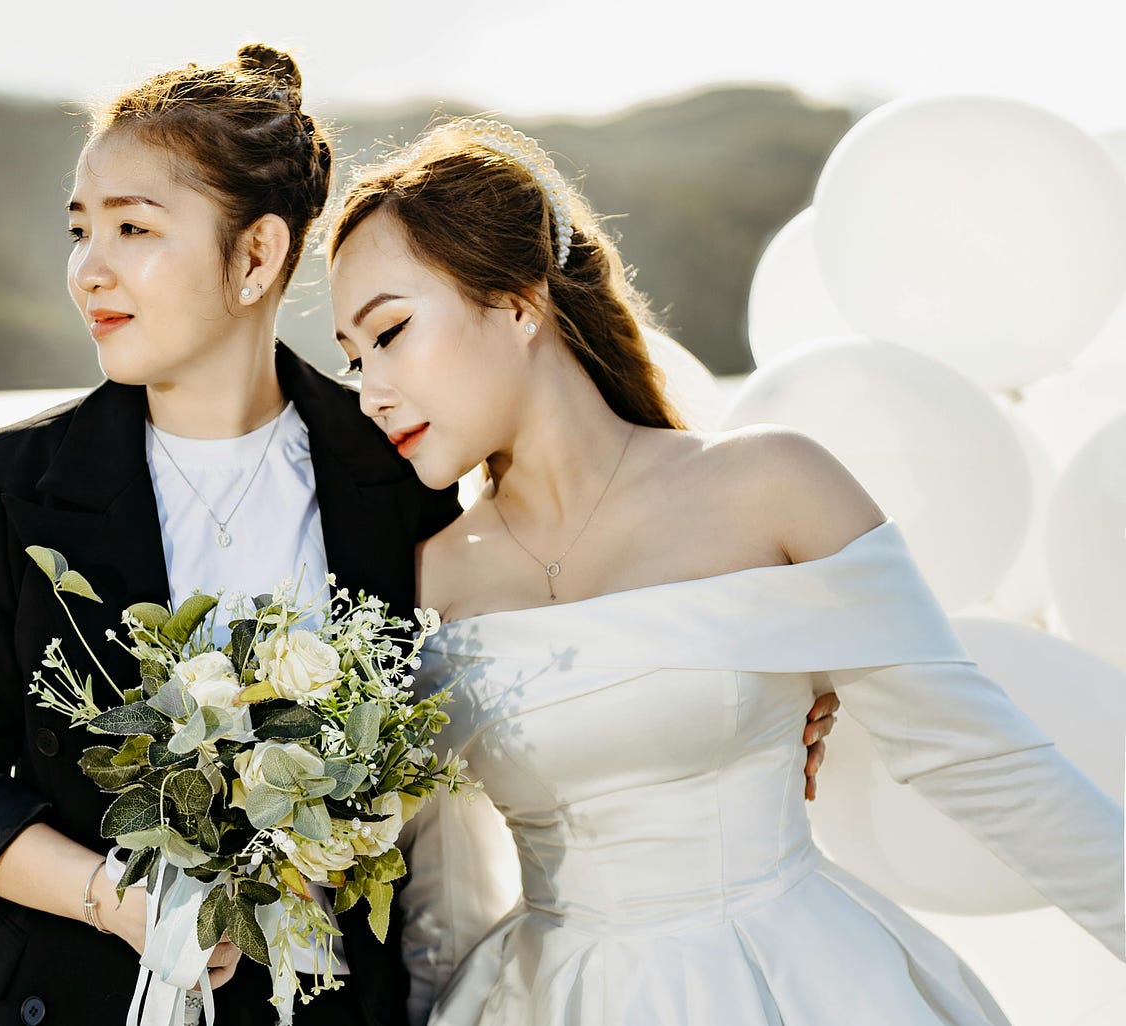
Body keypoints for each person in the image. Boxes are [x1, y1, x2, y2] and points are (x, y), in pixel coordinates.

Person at [0, 51, 836, 1023]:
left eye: (133, 227)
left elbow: (549, 632)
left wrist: (770, 682)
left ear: (256, 257)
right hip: (75, 998)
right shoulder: (12, 484)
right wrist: (124, 901)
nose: (89, 270)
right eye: (80, 229)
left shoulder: (399, 472)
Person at [325, 118, 1126, 1026]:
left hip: (799, 982)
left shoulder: (770, 485)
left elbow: (987, 764)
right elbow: (431, 894)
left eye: (389, 333)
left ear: (517, 303)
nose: (370, 390)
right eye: (353, 359)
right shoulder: (423, 584)